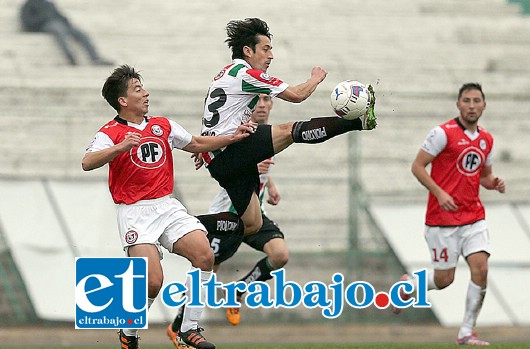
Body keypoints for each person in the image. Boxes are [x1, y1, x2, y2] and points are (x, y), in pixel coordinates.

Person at [82, 65, 256, 349]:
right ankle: (129, 332)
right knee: (152, 282)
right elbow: (87, 162)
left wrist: (232, 138)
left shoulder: (163, 125)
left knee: (204, 255)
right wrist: (120, 147)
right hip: (135, 213)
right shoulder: (111, 132)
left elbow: (197, 143)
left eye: (143, 87)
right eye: (138, 89)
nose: (146, 93)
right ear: (123, 101)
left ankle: (188, 330)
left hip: (166, 205)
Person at [199, 18, 378, 241]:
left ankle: (189, 224)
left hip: (221, 158)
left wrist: (206, 148)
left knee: (253, 225)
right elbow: (297, 95)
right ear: (248, 51)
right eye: (265, 49)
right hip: (229, 152)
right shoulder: (247, 75)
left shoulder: (224, 74)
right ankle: (358, 122)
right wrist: (316, 78)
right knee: (289, 130)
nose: (271, 56)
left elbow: (213, 117)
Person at [166, 95, 287, 344]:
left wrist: (270, 185)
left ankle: (239, 291)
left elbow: (259, 170)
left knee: (280, 255)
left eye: (267, 99)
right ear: (249, 107)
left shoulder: (267, 135)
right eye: (258, 100)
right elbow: (226, 162)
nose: (263, 104)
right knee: (207, 269)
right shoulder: (238, 132)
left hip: (255, 214)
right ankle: (179, 326)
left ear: (272, 104)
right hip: (230, 217)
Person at [393, 83, 506, 346]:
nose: (471, 105)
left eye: (476, 100)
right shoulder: (442, 133)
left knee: (481, 269)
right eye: (466, 100)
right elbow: (418, 167)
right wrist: (440, 193)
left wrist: (494, 183)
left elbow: (483, 176)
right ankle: (408, 286)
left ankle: (466, 332)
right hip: (442, 219)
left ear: (484, 105)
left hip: (473, 216)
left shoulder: (487, 140)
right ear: (458, 104)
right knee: (444, 280)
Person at [20, 0, 113, 66]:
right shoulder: (29, 5)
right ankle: (70, 58)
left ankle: (96, 58)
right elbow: (27, 22)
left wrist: (66, 22)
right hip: (44, 26)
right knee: (59, 30)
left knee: (80, 33)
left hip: (60, 24)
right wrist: (45, 19)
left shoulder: (49, 4)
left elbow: (61, 16)